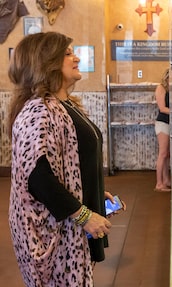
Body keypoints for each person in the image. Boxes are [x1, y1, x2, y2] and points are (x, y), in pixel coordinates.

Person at [7, 32, 121, 286]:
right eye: (68, 53)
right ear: (46, 63)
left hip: (71, 231)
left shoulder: (64, 106)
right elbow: (38, 177)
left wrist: (93, 191)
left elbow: (71, 162)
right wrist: (84, 215)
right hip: (54, 237)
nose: (76, 57)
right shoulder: (39, 111)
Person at [154, 68, 171, 192]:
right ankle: (159, 184)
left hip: (170, 123)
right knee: (163, 153)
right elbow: (162, 108)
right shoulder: (161, 87)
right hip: (162, 123)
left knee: (167, 155)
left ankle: (166, 180)